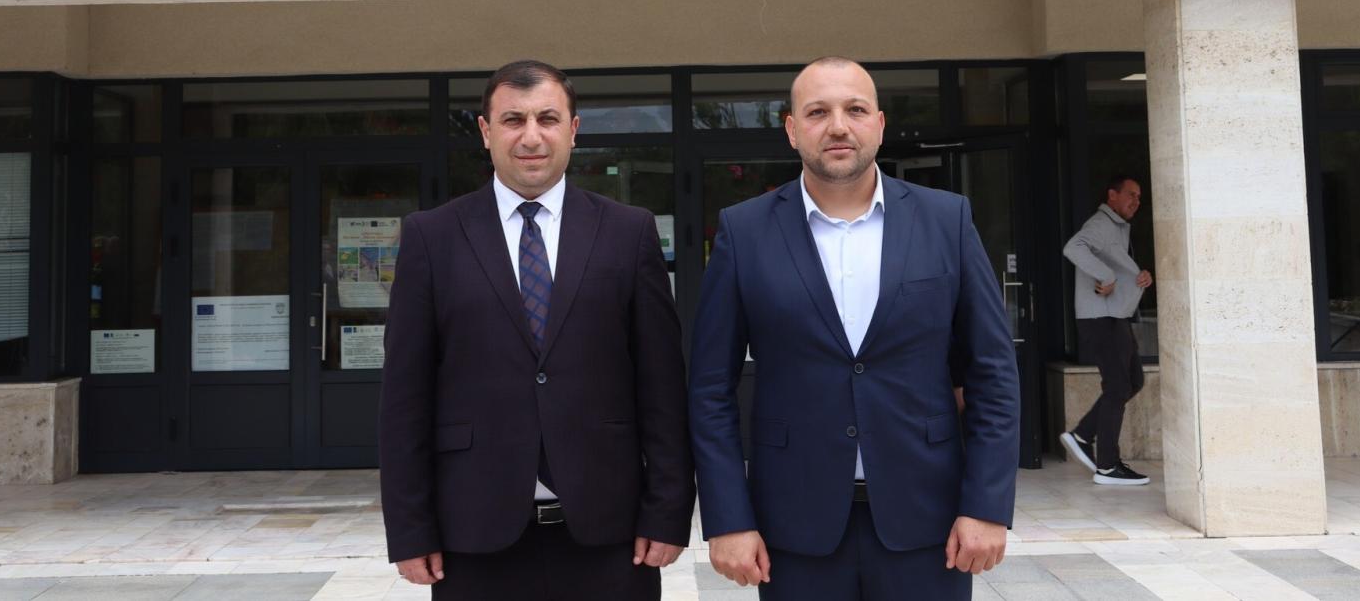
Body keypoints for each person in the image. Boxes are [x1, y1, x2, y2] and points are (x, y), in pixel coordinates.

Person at [688, 57, 1019, 600]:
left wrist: (986, 505)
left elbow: (994, 374)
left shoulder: (947, 220)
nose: (838, 126)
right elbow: (709, 389)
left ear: (880, 125)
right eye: (818, 112)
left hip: (930, 523)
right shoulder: (743, 231)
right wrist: (728, 518)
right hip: (792, 527)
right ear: (792, 129)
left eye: (856, 110)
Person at [379, 60, 695, 600]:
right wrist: (411, 530)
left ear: (573, 130)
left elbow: (662, 387)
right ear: (486, 131)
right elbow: (405, 398)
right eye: (513, 120)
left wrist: (667, 512)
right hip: (474, 537)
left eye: (547, 119)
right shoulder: (432, 237)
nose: (531, 137)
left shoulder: (628, 232)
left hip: (611, 536)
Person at [1058, 173, 1152, 486]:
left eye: (1139, 197)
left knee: (1133, 380)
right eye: (1131, 194)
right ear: (1112, 195)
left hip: (1115, 316)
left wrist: (1141, 276)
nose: (1136, 201)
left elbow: (1120, 266)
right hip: (1100, 318)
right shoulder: (1101, 223)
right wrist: (1106, 275)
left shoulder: (1119, 228)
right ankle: (1107, 466)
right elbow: (1073, 248)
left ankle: (1083, 435)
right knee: (1117, 386)